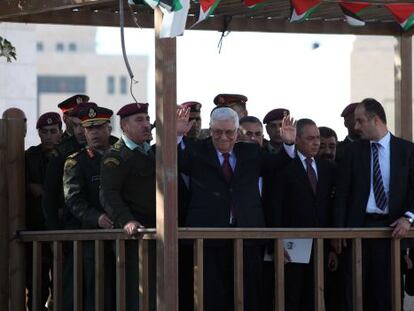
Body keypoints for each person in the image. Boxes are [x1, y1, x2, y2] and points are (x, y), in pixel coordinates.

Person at [176, 106, 296, 311]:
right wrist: (177, 135)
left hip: (247, 235)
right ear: (210, 130)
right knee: (211, 298)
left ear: (237, 131)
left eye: (229, 132)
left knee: (248, 296)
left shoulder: (250, 152)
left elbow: (277, 165)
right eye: (218, 132)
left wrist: (289, 143)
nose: (223, 137)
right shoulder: (196, 150)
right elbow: (175, 162)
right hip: (208, 237)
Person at [333, 98, 414, 311]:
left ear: (376, 120)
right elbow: (341, 194)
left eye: (360, 121)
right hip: (356, 232)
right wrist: (339, 231)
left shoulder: (407, 150)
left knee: (386, 295)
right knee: (355, 294)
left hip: (392, 232)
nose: (356, 127)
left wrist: (408, 217)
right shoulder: (351, 152)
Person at [100, 102, 156, 311]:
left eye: (147, 119)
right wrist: (127, 220)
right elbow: (108, 194)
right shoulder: (116, 155)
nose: (146, 125)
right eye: (139, 120)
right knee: (137, 292)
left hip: (155, 232)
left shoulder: (151, 152)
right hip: (134, 236)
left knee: (158, 290)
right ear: (124, 125)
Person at [275, 119, 335, 311]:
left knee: (314, 299)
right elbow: (275, 207)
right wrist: (276, 242)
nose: (316, 143)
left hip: (321, 246)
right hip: (291, 248)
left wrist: (332, 245)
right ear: (297, 139)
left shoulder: (327, 169)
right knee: (291, 299)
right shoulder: (284, 167)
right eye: (310, 138)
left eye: (317, 138)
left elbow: (331, 207)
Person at [63, 106, 115, 311]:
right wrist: (97, 218)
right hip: (91, 237)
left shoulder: (124, 154)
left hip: (123, 233)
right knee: (96, 293)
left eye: (98, 127)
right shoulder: (76, 161)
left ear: (109, 129)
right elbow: (74, 199)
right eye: (89, 129)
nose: (93, 132)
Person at [25, 112, 62, 311]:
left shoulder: (68, 154)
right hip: (36, 227)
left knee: (62, 284)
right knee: (37, 285)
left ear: (60, 132)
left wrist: (44, 191)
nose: (48, 136)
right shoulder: (30, 157)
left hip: (61, 228)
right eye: (44, 132)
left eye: (53, 131)